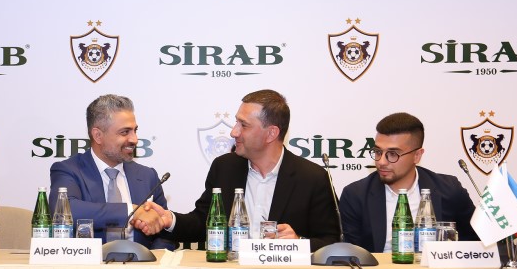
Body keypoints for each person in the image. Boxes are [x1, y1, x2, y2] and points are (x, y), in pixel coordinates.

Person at [136, 89, 340, 252]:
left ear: (271, 133)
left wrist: (298, 243)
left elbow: (332, 242)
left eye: (244, 125)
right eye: (236, 122)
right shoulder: (225, 168)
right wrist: (169, 220)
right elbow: (204, 224)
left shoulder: (312, 178)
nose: (234, 132)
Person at [49, 94, 176, 250]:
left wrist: (155, 256)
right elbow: (65, 210)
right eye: (125, 132)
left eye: (135, 130)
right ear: (98, 136)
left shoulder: (147, 176)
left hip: (141, 263)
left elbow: (165, 234)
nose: (134, 139)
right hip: (91, 263)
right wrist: (132, 211)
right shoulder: (69, 170)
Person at [338, 112, 477, 252]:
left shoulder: (449, 190)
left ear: (417, 155)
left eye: (393, 154)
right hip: (379, 266)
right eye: (378, 152)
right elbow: (353, 254)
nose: (381, 162)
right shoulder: (356, 195)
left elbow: (476, 241)